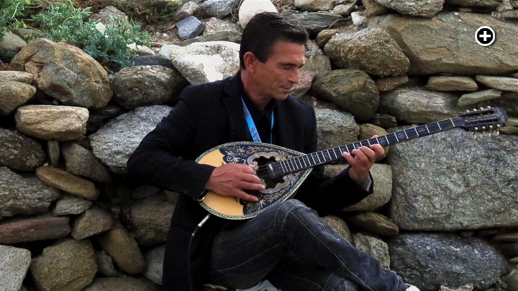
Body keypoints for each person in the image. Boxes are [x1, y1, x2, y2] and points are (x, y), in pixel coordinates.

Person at [127, 12, 417, 291]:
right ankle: (394, 288)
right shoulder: (203, 102)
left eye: (299, 67)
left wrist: (355, 176)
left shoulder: (301, 115)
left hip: (276, 254)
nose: (295, 78)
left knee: (341, 286)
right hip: (218, 252)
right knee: (286, 212)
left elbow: (311, 200)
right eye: (286, 67)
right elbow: (142, 161)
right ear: (251, 61)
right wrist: (209, 177)